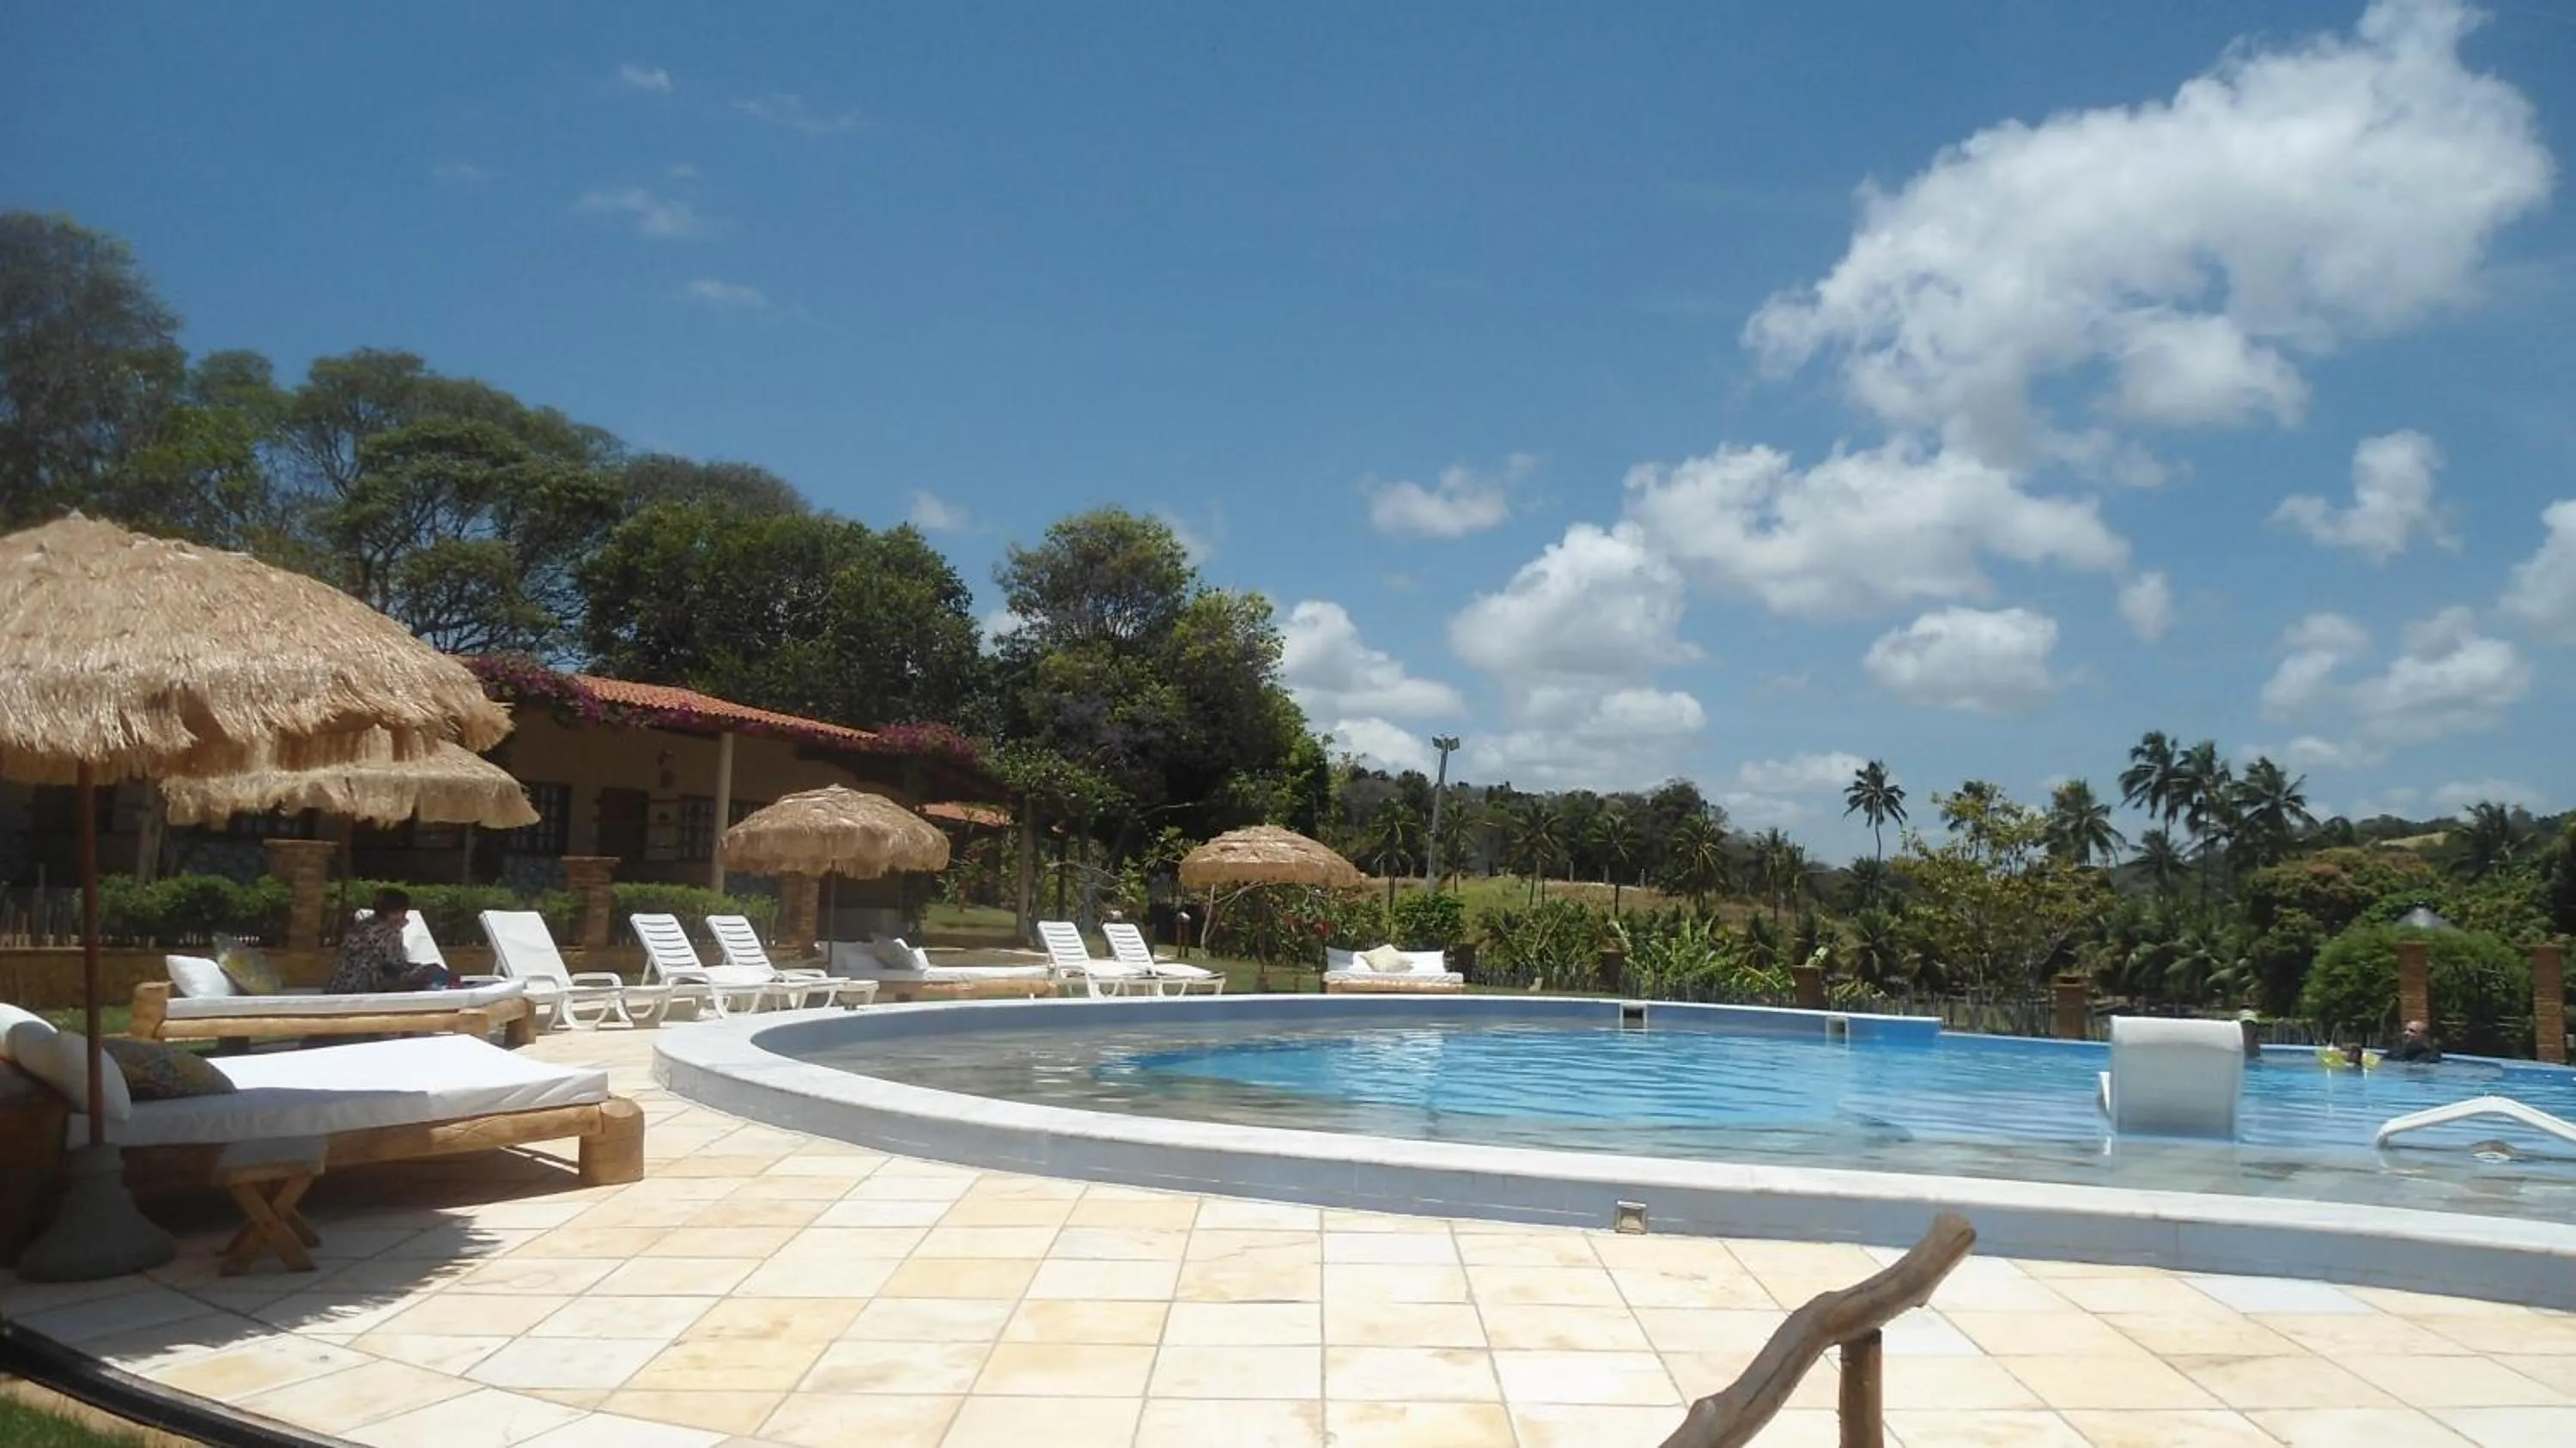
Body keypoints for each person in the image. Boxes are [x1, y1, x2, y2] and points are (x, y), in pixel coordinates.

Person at [325, 887, 451, 995]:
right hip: (365, 987)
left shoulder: (360, 926)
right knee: (432, 973)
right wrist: (425, 969)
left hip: (339, 986)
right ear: (398, 911)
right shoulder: (389, 932)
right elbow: (396, 966)